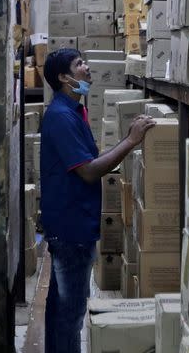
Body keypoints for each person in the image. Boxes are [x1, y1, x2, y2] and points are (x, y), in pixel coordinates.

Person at [40, 48, 155, 353]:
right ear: (64, 78)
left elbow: (91, 161)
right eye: (80, 65)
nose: (87, 68)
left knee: (60, 307)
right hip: (71, 228)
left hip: (75, 222)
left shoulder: (74, 110)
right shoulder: (61, 117)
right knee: (70, 314)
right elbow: (89, 172)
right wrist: (130, 141)